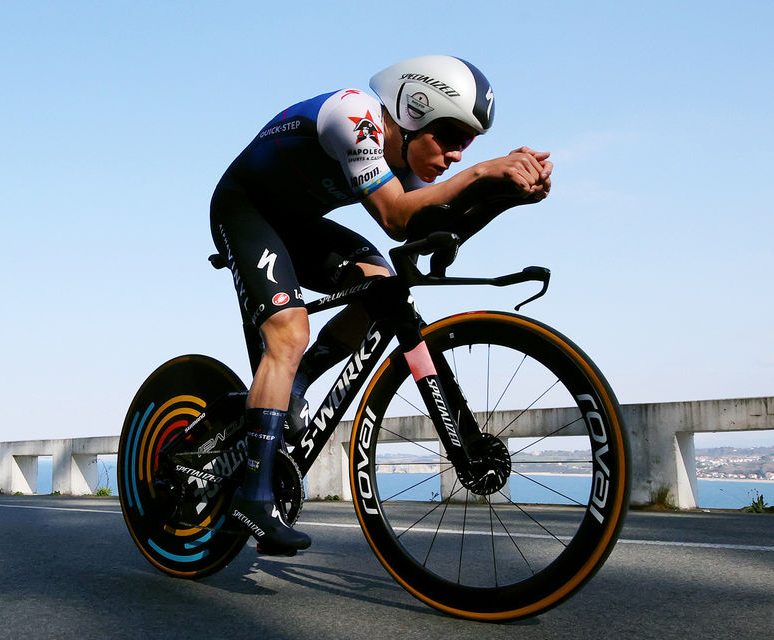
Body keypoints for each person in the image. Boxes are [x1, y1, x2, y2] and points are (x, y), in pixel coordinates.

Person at [210, 54, 552, 554]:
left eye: (469, 144)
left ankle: (294, 387)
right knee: (288, 332)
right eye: (451, 137)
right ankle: (254, 498)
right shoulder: (354, 117)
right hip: (245, 210)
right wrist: (483, 173)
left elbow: (433, 229)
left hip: (297, 227)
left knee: (381, 286)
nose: (457, 155)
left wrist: (506, 196)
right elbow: (395, 217)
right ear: (413, 112)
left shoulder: (401, 157)